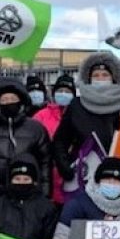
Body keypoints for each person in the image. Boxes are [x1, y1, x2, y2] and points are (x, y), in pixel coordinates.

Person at [52, 52, 120, 185]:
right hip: (83, 175)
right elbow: (60, 141)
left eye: (105, 75)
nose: (100, 79)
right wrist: (65, 167)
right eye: (96, 75)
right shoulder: (77, 105)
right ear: (88, 79)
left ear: (114, 78)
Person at [51, 157, 120, 239]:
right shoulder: (77, 205)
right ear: (98, 181)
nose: (111, 183)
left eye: (116, 180)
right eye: (107, 179)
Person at [33, 74, 75, 203]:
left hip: (71, 175)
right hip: (48, 175)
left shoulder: (78, 115)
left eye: (67, 91)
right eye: (60, 91)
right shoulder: (41, 116)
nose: (63, 94)